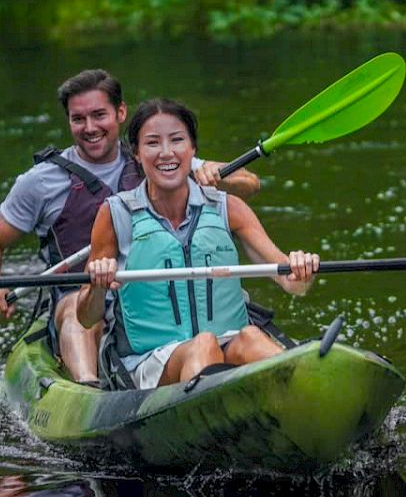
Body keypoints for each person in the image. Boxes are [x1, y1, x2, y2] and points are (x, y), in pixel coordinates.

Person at [0, 69, 260, 384]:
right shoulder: (40, 182)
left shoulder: (157, 157)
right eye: (78, 119)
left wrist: (217, 176)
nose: (90, 128)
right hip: (87, 295)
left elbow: (249, 184)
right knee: (73, 309)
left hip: (151, 297)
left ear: (120, 112)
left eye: (99, 115)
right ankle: (87, 390)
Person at [77, 98, 319, 389]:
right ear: (137, 154)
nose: (166, 153)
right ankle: (214, 415)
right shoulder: (115, 214)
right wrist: (97, 285)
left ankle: (306, 388)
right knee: (202, 344)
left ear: (193, 150)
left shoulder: (228, 207)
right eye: (152, 143)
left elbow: (293, 285)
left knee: (252, 337)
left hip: (228, 345)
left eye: (177, 140)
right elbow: (87, 317)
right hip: (150, 361)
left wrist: (301, 269)